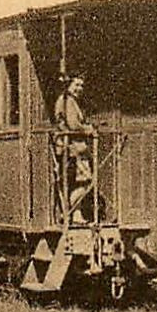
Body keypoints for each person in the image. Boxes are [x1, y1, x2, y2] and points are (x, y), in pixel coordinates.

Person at [53, 75, 95, 223]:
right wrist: (88, 129)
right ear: (69, 85)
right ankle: (72, 213)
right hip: (73, 148)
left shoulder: (70, 101)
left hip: (73, 148)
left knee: (78, 182)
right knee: (86, 181)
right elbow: (73, 124)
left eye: (81, 85)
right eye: (76, 85)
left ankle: (74, 214)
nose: (79, 88)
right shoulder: (67, 101)